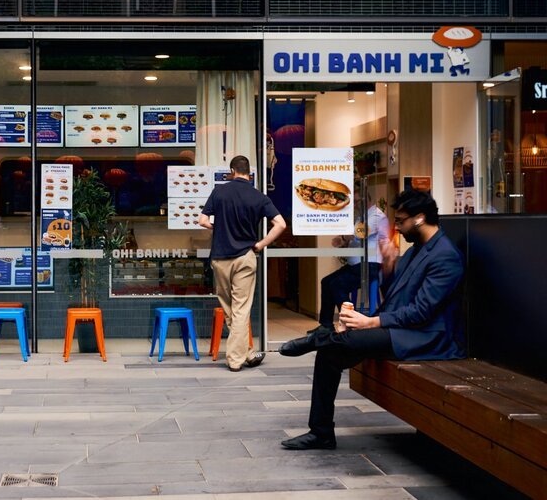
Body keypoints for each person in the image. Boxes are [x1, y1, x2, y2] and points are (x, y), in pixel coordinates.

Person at [279, 190, 465, 450]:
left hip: (427, 337)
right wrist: (389, 268)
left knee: (337, 341)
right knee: (329, 354)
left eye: (401, 221)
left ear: (420, 218)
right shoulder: (415, 251)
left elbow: (421, 312)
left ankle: (318, 338)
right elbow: (395, 297)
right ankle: (321, 432)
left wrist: (370, 323)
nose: (397, 228)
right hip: (403, 328)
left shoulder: (445, 256)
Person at [198, 155, 287, 372]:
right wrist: (260, 245)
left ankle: (240, 355)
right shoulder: (258, 196)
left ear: (232, 171)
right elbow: (280, 224)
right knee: (239, 309)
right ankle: (239, 357)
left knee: (230, 309)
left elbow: (202, 220)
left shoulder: (219, 192)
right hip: (244, 257)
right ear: (249, 173)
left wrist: (217, 228)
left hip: (220, 258)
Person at [319, 190, 389, 327]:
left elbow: (359, 233)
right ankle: (325, 326)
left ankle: (350, 324)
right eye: (355, 202)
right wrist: (343, 242)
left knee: (337, 285)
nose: (355, 205)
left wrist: (344, 238)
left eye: (358, 202)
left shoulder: (376, 216)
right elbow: (355, 238)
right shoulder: (362, 216)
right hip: (356, 265)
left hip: (370, 265)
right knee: (326, 282)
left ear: (366, 200)